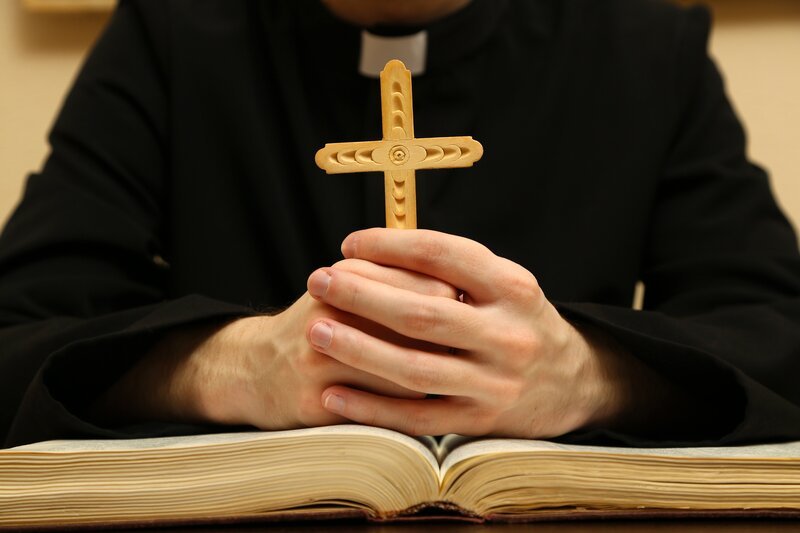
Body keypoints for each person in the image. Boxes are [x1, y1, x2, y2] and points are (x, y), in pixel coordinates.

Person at [1, 0, 799, 449]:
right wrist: (233, 366)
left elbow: (778, 336)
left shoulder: (644, 39)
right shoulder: (172, 29)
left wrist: (592, 375)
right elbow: (18, 332)